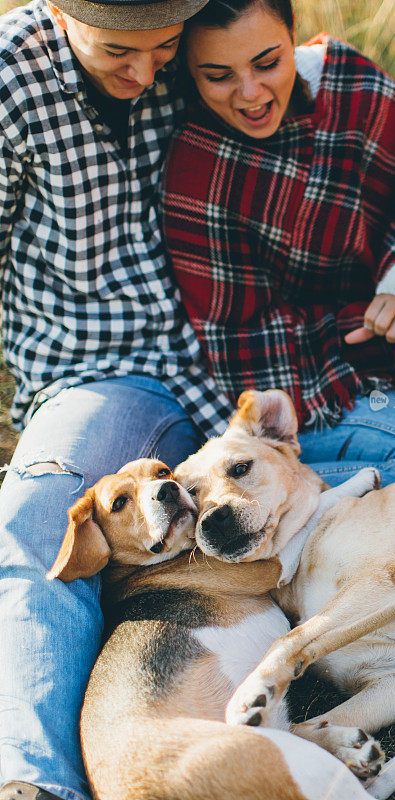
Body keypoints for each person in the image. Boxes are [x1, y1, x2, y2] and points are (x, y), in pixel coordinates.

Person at [0, 0, 241, 797]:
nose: (143, 76)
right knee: (35, 521)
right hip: (99, 374)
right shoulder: (10, 76)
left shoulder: (201, 49)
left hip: (231, 360)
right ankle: (34, 781)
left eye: (163, 49)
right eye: (116, 53)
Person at [164, 0, 395, 488]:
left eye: (268, 63)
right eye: (217, 76)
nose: (250, 93)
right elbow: (249, 337)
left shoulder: (350, 83)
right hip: (350, 359)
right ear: (189, 71)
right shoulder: (196, 169)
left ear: (294, 33)